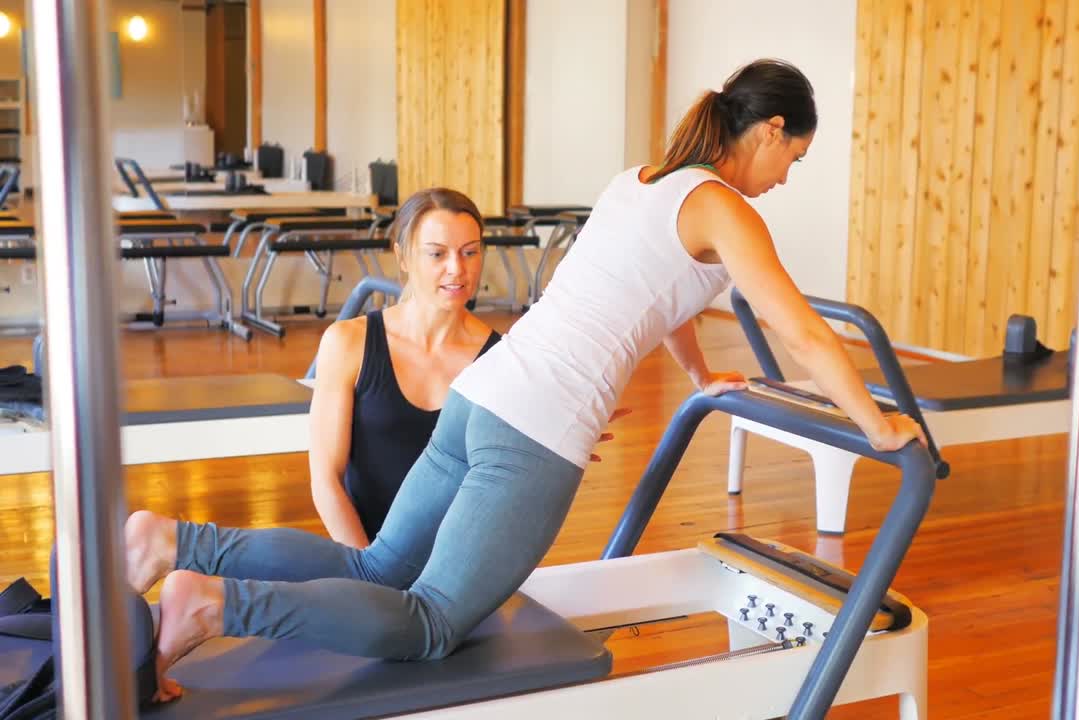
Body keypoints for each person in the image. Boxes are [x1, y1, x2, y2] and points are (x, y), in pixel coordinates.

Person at [124, 58, 926, 702]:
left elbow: (659, 296)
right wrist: (878, 428)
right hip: (537, 429)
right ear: (772, 129)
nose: (788, 176)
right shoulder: (726, 209)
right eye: (794, 155)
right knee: (432, 620)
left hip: (483, 393)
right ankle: (217, 602)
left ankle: (176, 542)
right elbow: (802, 330)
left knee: (380, 570)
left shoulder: (640, 180)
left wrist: (701, 373)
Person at [309, 188, 501, 549]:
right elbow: (325, 479)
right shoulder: (348, 343)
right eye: (437, 254)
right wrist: (370, 573)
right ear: (403, 257)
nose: (457, 269)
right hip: (364, 555)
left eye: (470, 252)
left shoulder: (501, 359)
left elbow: (500, 489)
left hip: (457, 565)